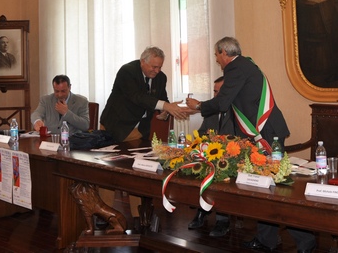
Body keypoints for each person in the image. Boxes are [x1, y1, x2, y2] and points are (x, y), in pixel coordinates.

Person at [186, 37, 316, 253]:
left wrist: (198, 105)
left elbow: (223, 102)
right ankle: (268, 240)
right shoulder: (246, 64)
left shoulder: (235, 68)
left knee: (277, 189)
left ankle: (305, 241)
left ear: (223, 52)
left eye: (217, 55)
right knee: (266, 189)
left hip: (264, 134)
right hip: (263, 132)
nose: (217, 59)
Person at [100, 46, 194, 143]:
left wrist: (165, 111)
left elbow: (162, 99)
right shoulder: (127, 71)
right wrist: (166, 106)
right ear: (143, 61)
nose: (157, 71)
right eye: (154, 67)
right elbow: (137, 97)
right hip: (117, 126)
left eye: (160, 67)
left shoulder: (161, 77)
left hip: (141, 130)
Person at [189, 76, 234, 238]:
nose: (216, 95)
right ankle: (202, 210)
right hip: (210, 154)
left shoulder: (238, 111)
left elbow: (242, 140)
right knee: (197, 166)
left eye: (220, 92)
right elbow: (202, 133)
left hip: (231, 158)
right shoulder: (211, 110)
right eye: (214, 91)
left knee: (221, 173)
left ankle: (223, 220)